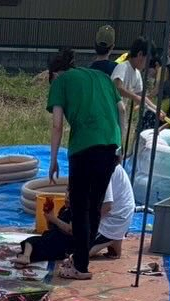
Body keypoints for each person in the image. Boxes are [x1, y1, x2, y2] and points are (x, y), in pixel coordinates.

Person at [47, 59, 120, 281]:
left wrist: (52, 160)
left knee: (80, 207)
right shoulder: (103, 78)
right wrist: (120, 145)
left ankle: (80, 265)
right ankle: (81, 260)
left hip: (84, 146)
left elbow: (57, 124)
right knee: (94, 205)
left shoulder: (60, 82)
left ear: (55, 74)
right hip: (110, 144)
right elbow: (122, 109)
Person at [112, 37, 161, 139]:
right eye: (147, 60)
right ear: (139, 55)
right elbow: (117, 87)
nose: (147, 64)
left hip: (120, 113)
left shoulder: (137, 73)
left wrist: (155, 109)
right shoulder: (123, 67)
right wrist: (135, 97)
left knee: (119, 141)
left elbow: (141, 96)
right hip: (110, 112)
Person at [89, 158, 134, 259]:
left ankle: (111, 239)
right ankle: (113, 243)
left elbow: (107, 206)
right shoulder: (105, 163)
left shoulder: (103, 168)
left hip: (116, 216)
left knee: (79, 252)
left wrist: (89, 223)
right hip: (120, 212)